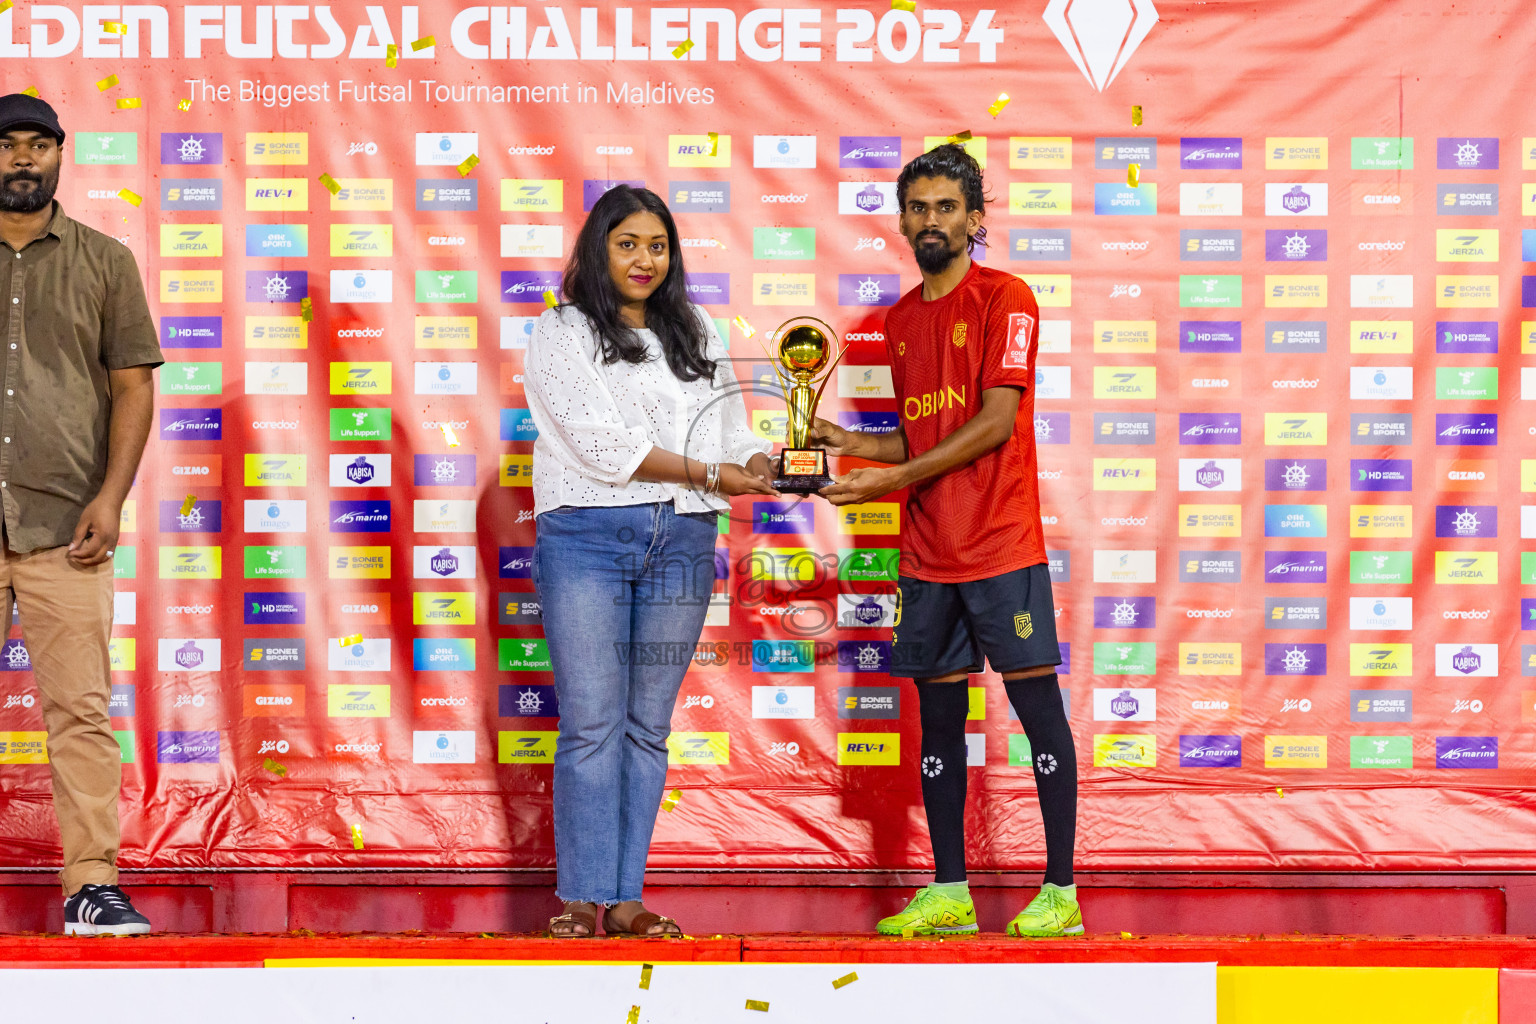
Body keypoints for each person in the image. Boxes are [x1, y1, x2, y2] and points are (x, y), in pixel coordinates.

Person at [813, 144, 1081, 937]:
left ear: (975, 217)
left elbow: (994, 423)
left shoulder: (1009, 297)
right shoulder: (899, 320)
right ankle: (951, 892)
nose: (931, 221)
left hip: (1001, 543)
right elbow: (925, 434)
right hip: (929, 554)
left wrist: (891, 479)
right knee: (936, 725)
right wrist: (844, 441)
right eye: (918, 208)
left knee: (1039, 714)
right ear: (902, 220)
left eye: (946, 207)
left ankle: (1061, 891)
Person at [524, 185, 776, 938]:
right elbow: (603, 448)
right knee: (592, 724)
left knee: (646, 727)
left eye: (657, 245)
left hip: (685, 541)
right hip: (587, 537)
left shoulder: (694, 327)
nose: (644, 259)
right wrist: (711, 474)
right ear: (599, 249)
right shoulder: (561, 332)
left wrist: (766, 460)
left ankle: (625, 898)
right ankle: (579, 897)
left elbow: (731, 431)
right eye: (628, 243)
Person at [0, 94, 160, 935]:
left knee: (80, 714)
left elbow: (135, 382)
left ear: (61, 156)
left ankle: (90, 888)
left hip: (67, 525)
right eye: (8, 146)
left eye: (38, 145)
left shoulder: (105, 260)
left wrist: (110, 497)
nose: (22, 159)